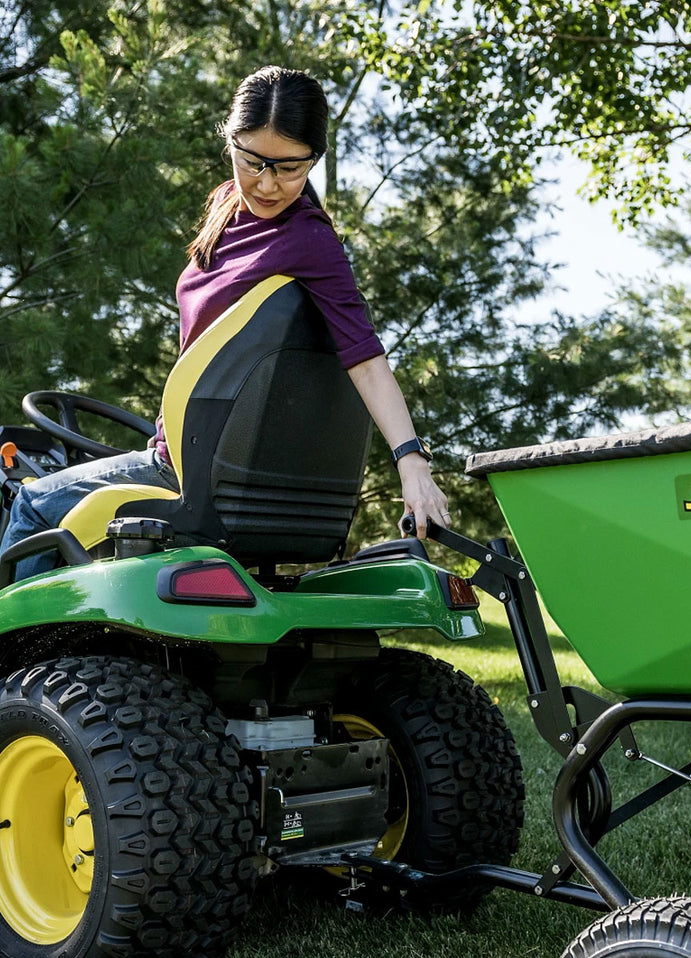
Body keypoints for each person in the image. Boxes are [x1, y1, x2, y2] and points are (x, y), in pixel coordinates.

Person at [0, 65, 449, 582]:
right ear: (230, 140)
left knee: (32, 503)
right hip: (188, 447)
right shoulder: (222, 205)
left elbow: (364, 356)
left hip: (189, 469)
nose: (267, 183)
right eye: (251, 160)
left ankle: (18, 659)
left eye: (289, 168)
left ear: (314, 160)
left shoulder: (310, 239)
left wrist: (412, 463)